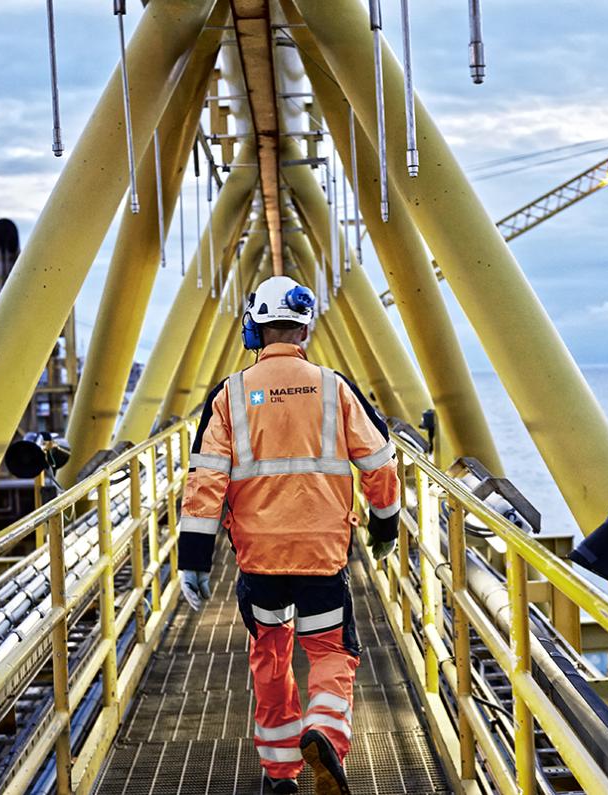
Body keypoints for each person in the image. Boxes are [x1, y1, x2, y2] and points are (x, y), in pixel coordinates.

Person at [178, 276, 400, 794]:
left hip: (259, 558)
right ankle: (325, 735)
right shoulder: (334, 388)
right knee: (330, 650)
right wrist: (384, 526)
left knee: (271, 655)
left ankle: (281, 774)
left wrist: (195, 558)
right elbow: (380, 463)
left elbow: (205, 481)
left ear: (254, 329)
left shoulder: (230, 395)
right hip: (322, 554)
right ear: (305, 329)